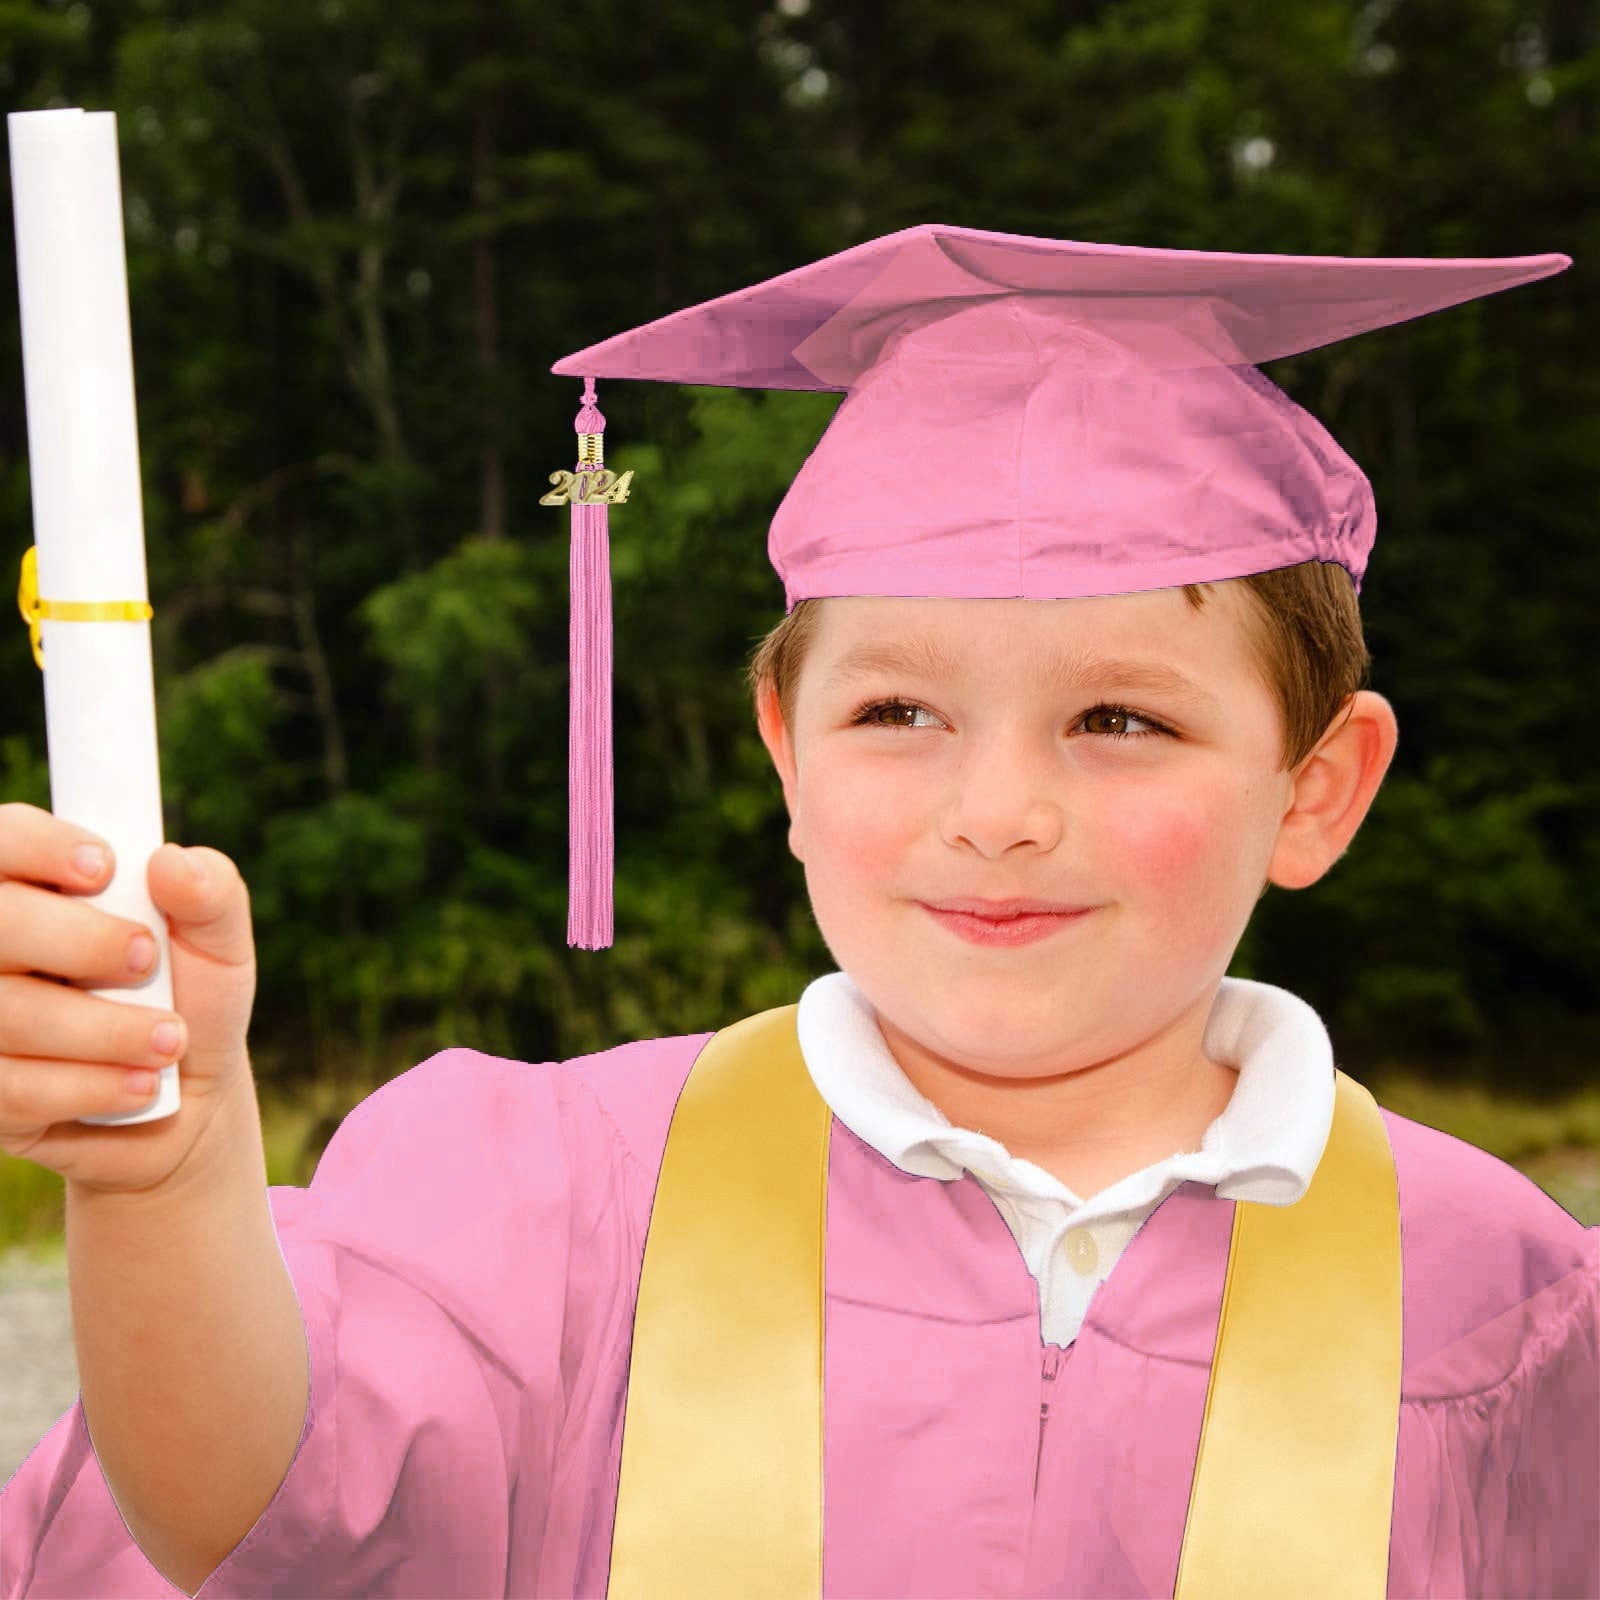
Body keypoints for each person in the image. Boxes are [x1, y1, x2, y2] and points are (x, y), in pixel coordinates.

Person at [1, 225, 1595, 1599]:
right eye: (897, 712)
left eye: (1123, 722)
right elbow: (261, 1524)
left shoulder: (1502, 1302)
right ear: (783, 751)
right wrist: (166, 1169)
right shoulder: (551, 1204)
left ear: (1318, 786)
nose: (997, 812)